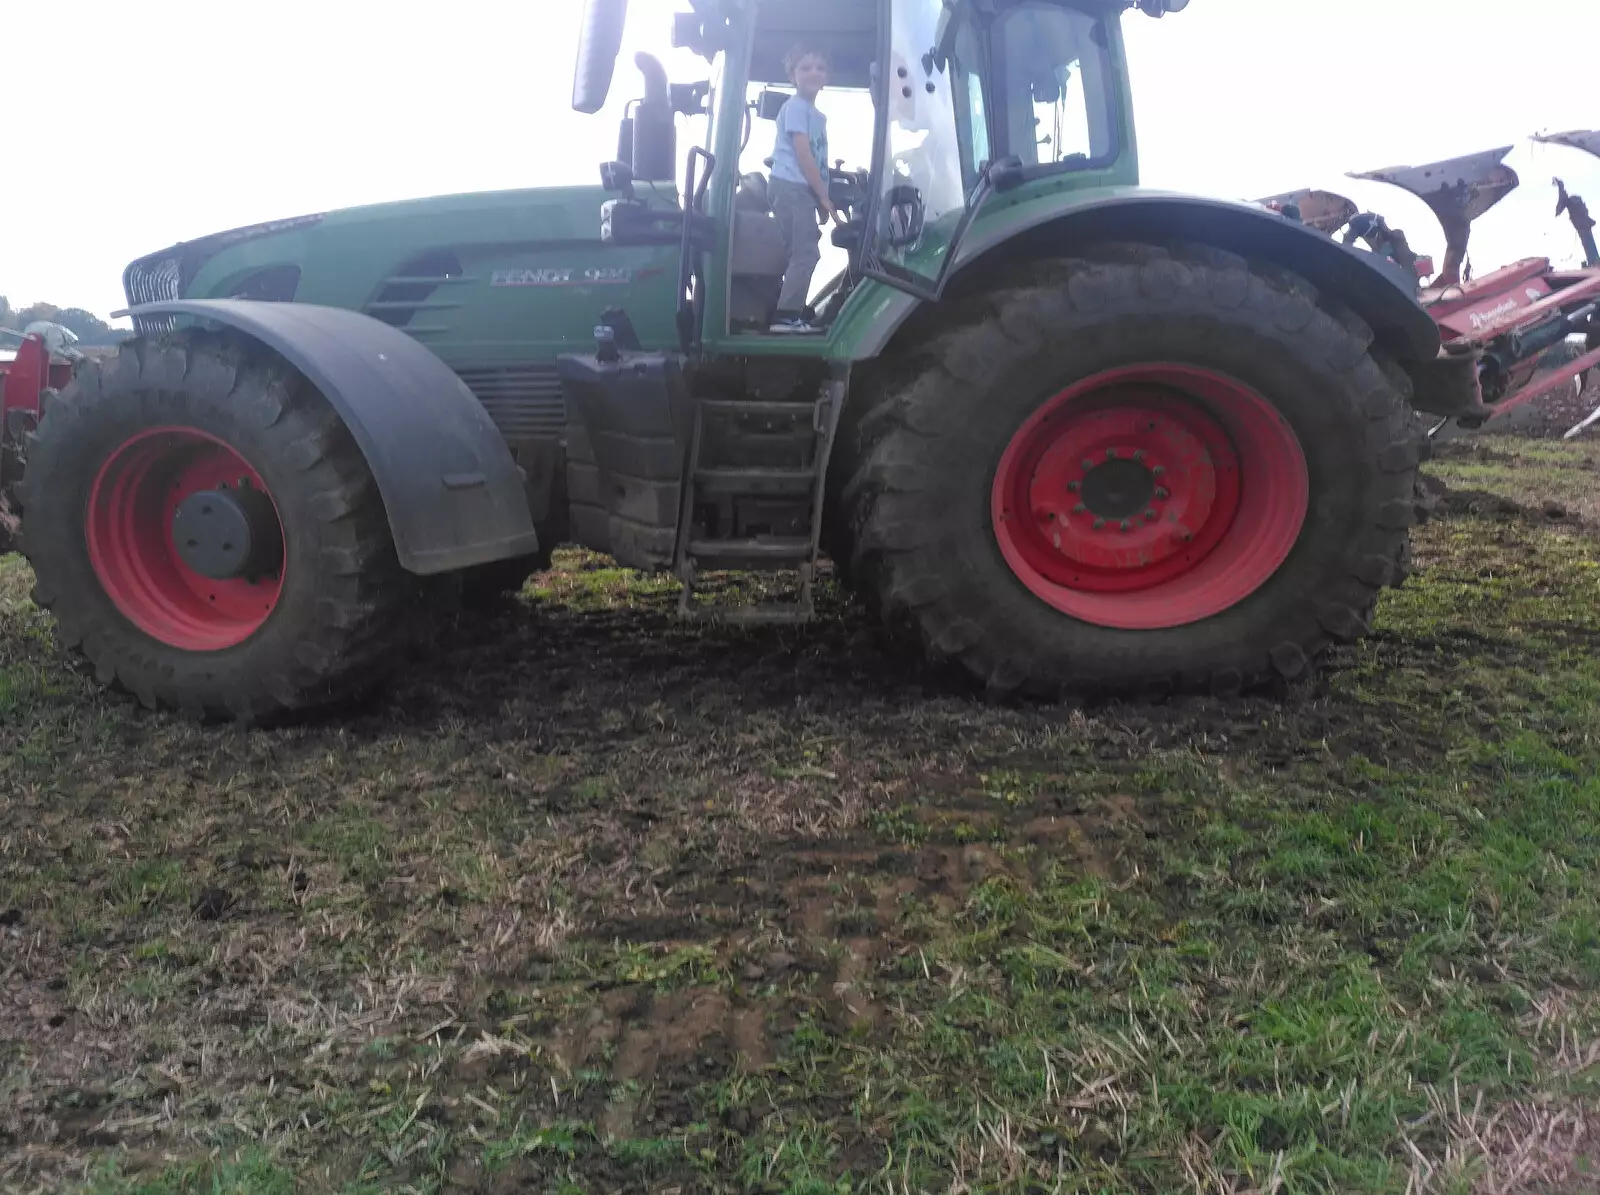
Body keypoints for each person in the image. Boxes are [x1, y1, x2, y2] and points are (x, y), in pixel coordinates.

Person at [768, 44, 845, 333]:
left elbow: (819, 161)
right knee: (806, 253)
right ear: (792, 75)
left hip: (801, 191)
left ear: (827, 76)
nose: (814, 73)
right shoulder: (795, 108)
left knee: (804, 251)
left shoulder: (816, 115)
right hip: (789, 188)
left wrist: (819, 198)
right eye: (805, 67)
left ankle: (793, 310)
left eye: (820, 68)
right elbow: (804, 155)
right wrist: (824, 197)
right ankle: (785, 317)